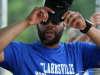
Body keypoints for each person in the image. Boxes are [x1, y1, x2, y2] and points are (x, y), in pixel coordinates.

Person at [0, 0, 100, 75]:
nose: (50, 25)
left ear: (64, 25)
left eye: (56, 21)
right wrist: (26, 21)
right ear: (36, 24)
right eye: (44, 21)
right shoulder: (21, 52)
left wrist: (86, 28)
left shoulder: (79, 52)